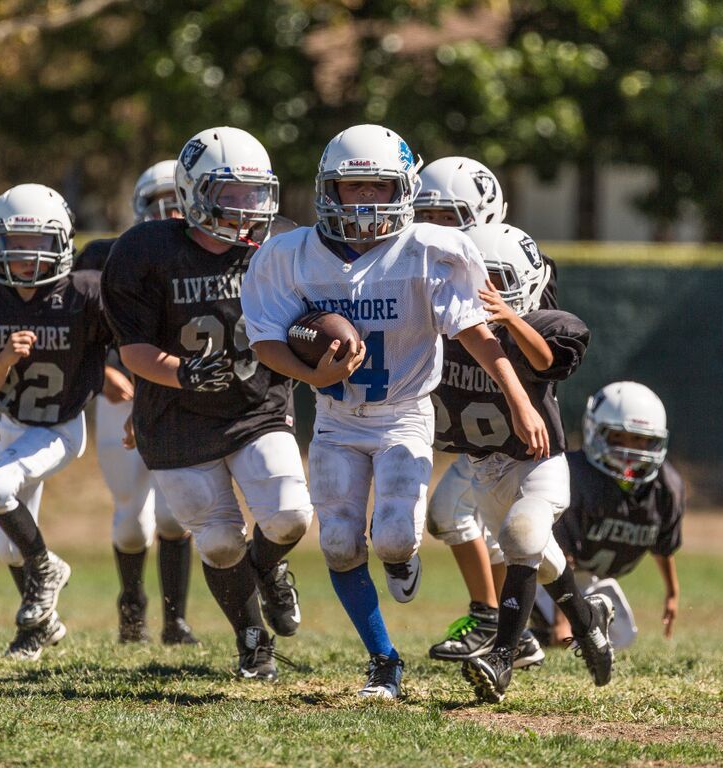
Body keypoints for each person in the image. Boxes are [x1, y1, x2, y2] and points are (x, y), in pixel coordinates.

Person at [241, 124, 551, 699]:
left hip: (405, 413)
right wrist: (312, 374)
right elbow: (265, 341)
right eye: (351, 187)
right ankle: (384, 661)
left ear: (403, 189)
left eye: (378, 187)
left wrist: (519, 397)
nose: (363, 200)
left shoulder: (434, 248)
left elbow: (479, 336)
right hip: (335, 417)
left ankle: (401, 557)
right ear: (326, 189)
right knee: (337, 541)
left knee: (392, 540)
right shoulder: (289, 254)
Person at [101, 127, 313, 681]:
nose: (248, 208)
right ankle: (252, 642)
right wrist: (182, 373)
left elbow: (308, 318)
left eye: (255, 193)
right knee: (219, 541)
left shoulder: (283, 245)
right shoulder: (144, 251)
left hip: (254, 404)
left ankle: (267, 570)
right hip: (177, 415)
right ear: (193, 193)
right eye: (231, 194)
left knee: (291, 514)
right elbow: (136, 350)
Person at [432, 221, 615, 702]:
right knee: (545, 561)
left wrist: (511, 317)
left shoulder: (543, 325)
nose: (488, 296)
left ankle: (502, 658)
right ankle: (589, 622)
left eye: (501, 283)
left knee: (522, 537)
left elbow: (546, 359)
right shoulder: (446, 325)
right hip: (484, 467)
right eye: (481, 284)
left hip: (539, 462)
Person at [0, 183, 111, 660]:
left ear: (60, 242)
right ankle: (41, 625)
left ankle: (48, 570)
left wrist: (120, 384)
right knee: (9, 548)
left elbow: (122, 344)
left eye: (36, 241)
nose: (24, 255)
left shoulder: (84, 295)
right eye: (14, 242)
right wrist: (3, 357)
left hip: (60, 428)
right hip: (14, 428)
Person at [412, 157, 557, 669]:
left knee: (503, 529)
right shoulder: (420, 268)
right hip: (473, 427)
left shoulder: (512, 269)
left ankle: (509, 621)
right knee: (479, 525)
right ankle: (519, 621)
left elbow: (540, 356)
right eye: (425, 216)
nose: (435, 231)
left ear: (484, 215)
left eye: (449, 218)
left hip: (513, 432)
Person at [74, 160, 198, 645]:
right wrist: (98, 370)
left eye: (177, 201)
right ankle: (132, 609)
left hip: (177, 397)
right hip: (122, 395)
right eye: (159, 203)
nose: (169, 213)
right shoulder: (106, 254)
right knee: (131, 520)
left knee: (174, 515)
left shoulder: (207, 254)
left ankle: (176, 621)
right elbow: (74, 333)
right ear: (139, 206)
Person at [531, 382, 682, 650]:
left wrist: (672, 591)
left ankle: (537, 636)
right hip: (542, 569)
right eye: (618, 438)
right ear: (594, 432)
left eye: (639, 439)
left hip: (589, 576)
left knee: (621, 637)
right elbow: (558, 554)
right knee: (573, 637)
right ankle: (516, 631)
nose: (629, 451)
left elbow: (663, 543)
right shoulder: (573, 476)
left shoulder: (665, 487)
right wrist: (562, 620)